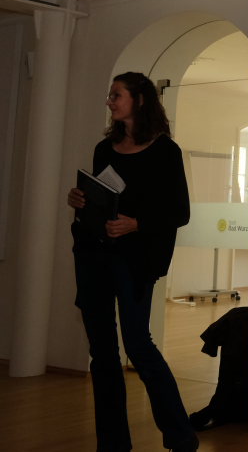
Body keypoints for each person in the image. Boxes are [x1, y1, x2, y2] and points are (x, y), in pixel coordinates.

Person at [67, 72, 198, 452]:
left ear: (139, 100)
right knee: (102, 353)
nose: (110, 101)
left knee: (138, 346)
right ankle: (112, 444)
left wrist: (136, 223)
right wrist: (80, 200)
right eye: (110, 95)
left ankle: (181, 436)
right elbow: (102, 199)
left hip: (136, 260)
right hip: (94, 256)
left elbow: (180, 211)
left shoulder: (165, 151)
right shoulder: (104, 149)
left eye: (116, 95)